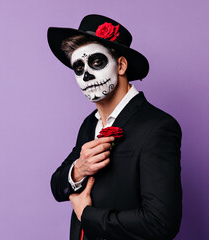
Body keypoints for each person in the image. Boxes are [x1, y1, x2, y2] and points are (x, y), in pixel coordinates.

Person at [47, 14, 182, 240]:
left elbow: (161, 223)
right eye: (78, 68)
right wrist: (78, 169)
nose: (86, 75)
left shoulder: (158, 127)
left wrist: (87, 215)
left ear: (120, 65)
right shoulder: (90, 123)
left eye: (96, 62)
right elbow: (56, 186)